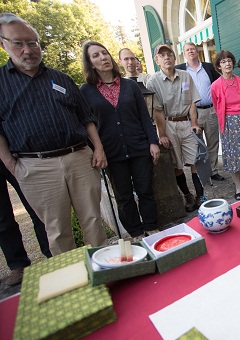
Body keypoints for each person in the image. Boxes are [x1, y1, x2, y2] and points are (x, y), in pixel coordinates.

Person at [0, 13, 108, 255]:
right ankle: (72, 283)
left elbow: (86, 117)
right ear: (3, 43)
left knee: (93, 219)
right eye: (19, 43)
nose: (28, 50)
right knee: (57, 230)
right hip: (35, 166)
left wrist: (98, 148)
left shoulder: (61, 78)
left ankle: (104, 272)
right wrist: (11, 164)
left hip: (79, 157)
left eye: (32, 42)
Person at [80, 41, 161, 240]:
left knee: (145, 190)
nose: (103, 57)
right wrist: (96, 151)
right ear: (90, 63)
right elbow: (86, 123)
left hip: (139, 146)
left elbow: (144, 116)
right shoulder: (85, 91)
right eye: (96, 55)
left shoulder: (130, 86)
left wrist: (153, 142)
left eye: (104, 53)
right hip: (112, 152)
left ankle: (151, 227)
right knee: (124, 197)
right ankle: (135, 232)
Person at [146, 44, 205, 212]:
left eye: (169, 54)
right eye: (162, 55)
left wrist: (194, 124)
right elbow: (157, 111)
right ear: (157, 60)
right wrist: (162, 134)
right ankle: (188, 195)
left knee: (196, 161)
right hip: (169, 124)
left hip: (187, 123)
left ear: (174, 57)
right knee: (177, 165)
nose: (166, 57)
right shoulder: (153, 82)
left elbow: (193, 102)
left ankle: (201, 196)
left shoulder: (186, 76)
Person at [176, 42, 225, 182]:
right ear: (184, 54)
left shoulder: (208, 68)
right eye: (187, 50)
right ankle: (201, 172)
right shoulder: (180, 71)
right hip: (192, 113)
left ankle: (214, 171)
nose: (190, 51)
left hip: (210, 110)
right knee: (197, 144)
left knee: (213, 142)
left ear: (197, 52)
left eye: (192, 49)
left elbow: (219, 86)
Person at [211, 50, 240, 200]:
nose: (227, 63)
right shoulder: (216, 85)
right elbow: (217, 106)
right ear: (219, 66)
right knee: (233, 157)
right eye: (223, 62)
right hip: (229, 122)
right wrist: (224, 123)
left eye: (229, 60)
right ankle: (238, 187)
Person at [1, 161, 51, 286]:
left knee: (37, 208)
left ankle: (52, 252)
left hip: (13, 152)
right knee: (2, 220)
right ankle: (17, 264)